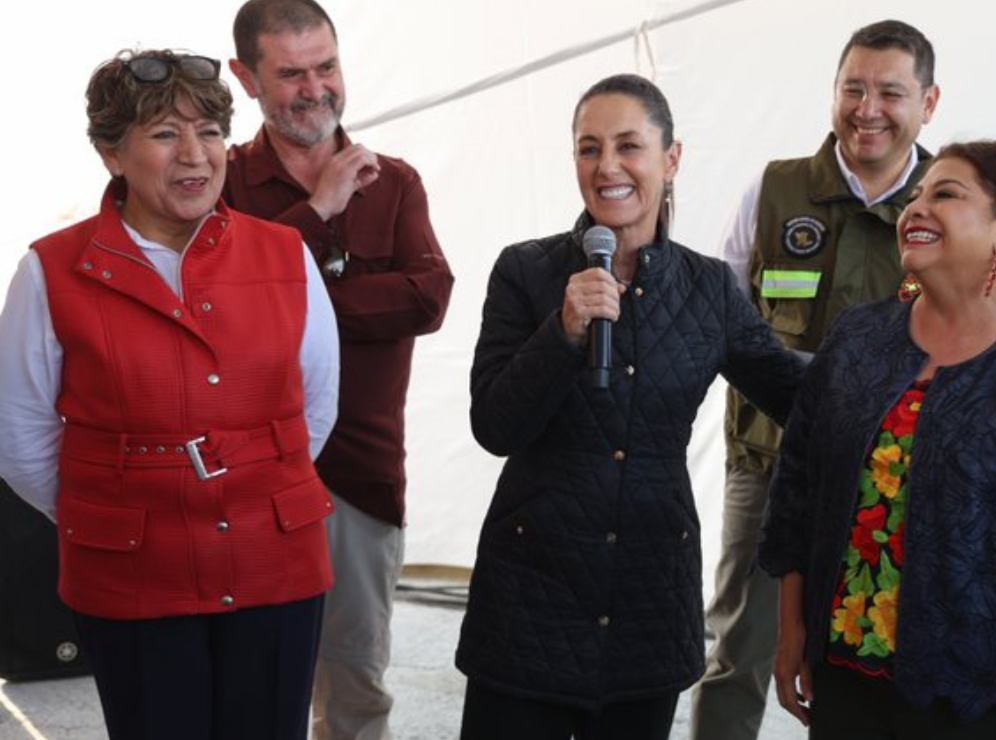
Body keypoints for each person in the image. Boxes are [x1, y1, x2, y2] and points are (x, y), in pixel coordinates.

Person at [0, 49, 340, 740]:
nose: (195, 154)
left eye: (210, 132)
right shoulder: (50, 270)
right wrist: (112, 507)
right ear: (110, 154)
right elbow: (20, 436)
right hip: (131, 572)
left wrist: (251, 486)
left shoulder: (285, 255)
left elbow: (316, 408)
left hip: (275, 563)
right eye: (164, 134)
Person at [455, 73, 805, 740]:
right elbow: (494, 426)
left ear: (671, 159)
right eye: (589, 149)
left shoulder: (708, 290)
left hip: (649, 599)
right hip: (531, 602)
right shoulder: (526, 272)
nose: (607, 167)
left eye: (628, 146)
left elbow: (791, 389)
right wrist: (560, 335)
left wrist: (901, 359)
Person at [759, 140, 996, 739]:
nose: (916, 208)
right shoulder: (859, 339)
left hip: (974, 694)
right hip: (843, 672)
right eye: (915, 196)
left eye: (946, 194)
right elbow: (798, 492)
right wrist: (791, 631)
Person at [692, 19, 940, 740]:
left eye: (890, 92)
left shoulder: (951, 200)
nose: (868, 109)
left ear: (928, 102)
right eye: (853, 89)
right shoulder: (774, 189)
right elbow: (722, 316)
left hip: (900, 476)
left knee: (873, 653)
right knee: (738, 648)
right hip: (770, 460)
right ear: (832, 93)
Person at [222, 2, 455, 738]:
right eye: (290, 73)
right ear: (245, 78)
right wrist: (318, 215)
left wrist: (298, 298)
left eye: (326, 66)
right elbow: (219, 307)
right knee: (249, 679)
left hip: (360, 475)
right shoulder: (217, 183)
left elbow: (429, 296)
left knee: (355, 681)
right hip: (243, 480)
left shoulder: (395, 182)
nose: (315, 88)